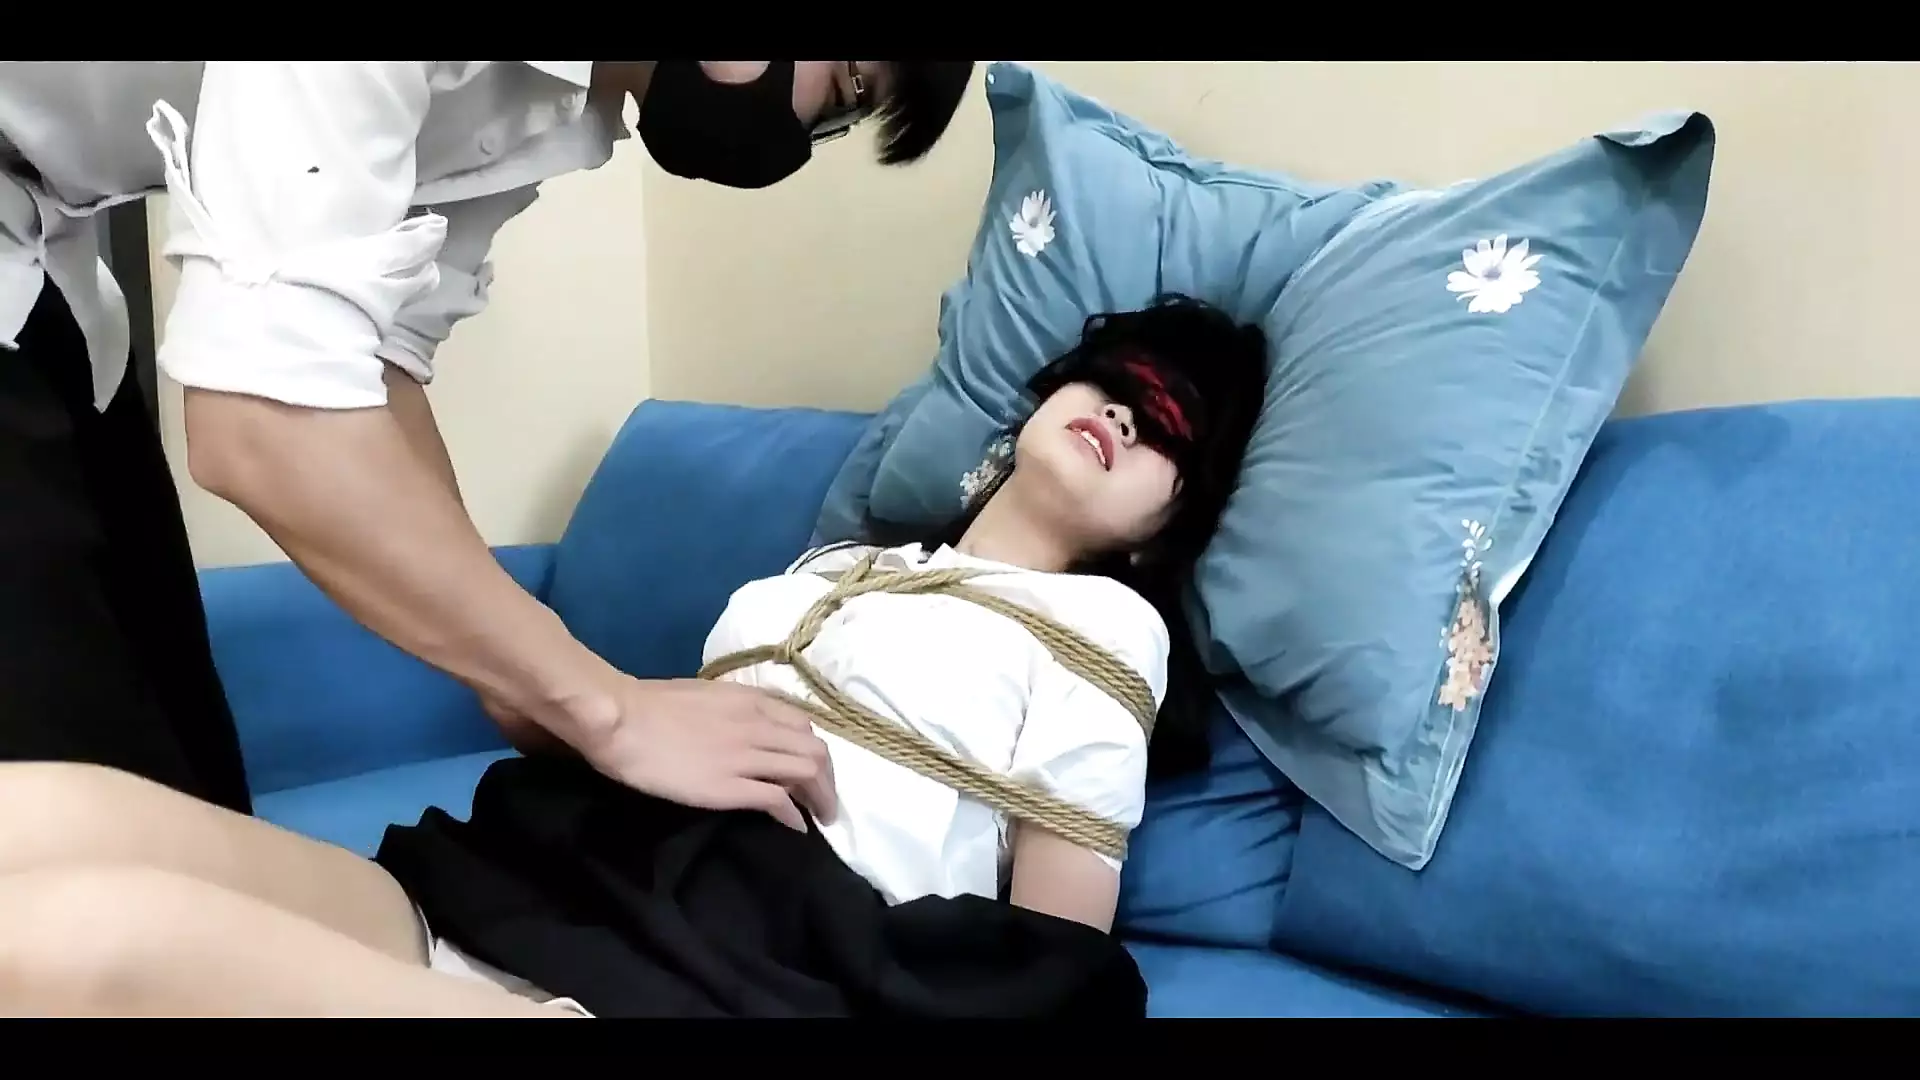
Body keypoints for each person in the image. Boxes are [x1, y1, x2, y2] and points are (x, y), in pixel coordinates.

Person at [0, 294, 1271, 1018]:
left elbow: (1048, 954)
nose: (1124, 413)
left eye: (1166, 430)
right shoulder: (833, 570)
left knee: (76, 946)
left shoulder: (1110, 631)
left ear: (1164, 527)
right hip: (542, 866)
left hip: (731, 959)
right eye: (1112, 382)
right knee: (39, 816)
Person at [0, 62, 973, 823]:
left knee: (185, 795)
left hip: (46, 262)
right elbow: (258, 424)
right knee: (85, 831)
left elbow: (381, 364)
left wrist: (530, 692)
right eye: (847, 86)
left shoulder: (551, 106)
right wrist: (606, 707)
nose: (805, 136)